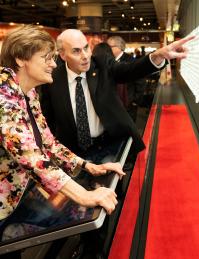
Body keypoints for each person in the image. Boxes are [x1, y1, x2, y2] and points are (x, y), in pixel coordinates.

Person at [0, 25, 126, 258]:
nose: (55, 64)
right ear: (21, 59)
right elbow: (32, 156)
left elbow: (48, 143)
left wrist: (87, 165)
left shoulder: (27, 92)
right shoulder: (3, 97)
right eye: (46, 58)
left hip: (16, 198)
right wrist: (83, 195)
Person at [40, 29, 193, 160]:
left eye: (86, 48)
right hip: (74, 153)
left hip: (108, 145)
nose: (85, 55)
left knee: (112, 189)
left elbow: (130, 70)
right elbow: (48, 118)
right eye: (76, 51)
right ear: (62, 55)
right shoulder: (52, 78)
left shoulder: (102, 64)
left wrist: (157, 56)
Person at [107, 35, 147, 122]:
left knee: (128, 129)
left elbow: (141, 81)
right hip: (113, 105)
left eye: (110, 47)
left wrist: (135, 101)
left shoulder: (131, 61)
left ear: (119, 47)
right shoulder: (109, 61)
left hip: (128, 105)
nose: (107, 50)